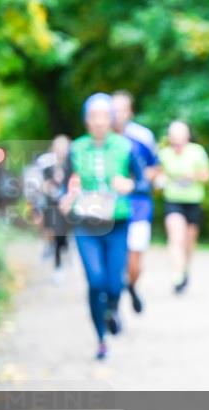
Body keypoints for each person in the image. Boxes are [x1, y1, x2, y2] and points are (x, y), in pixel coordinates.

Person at [60, 94, 146, 360]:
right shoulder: (76, 148)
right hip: (86, 224)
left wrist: (130, 185)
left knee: (113, 284)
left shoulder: (125, 147)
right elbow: (65, 184)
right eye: (93, 117)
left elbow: (143, 183)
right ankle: (100, 339)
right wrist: (66, 197)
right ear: (86, 120)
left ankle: (112, 309)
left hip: (116, 223)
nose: (98, 122)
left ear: (112, 119)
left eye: (104, 116)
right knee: (95, 281)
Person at [113, 90, 159, 314]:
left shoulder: (143, 137)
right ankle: (113, 305)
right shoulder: (102, 140)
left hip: (139, 204)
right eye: (114, 109)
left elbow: (155, 168)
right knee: (113, 258)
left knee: (134, 260)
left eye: (122, 109)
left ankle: (131, 286)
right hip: (109, 206)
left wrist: (134, 182)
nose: (118, 114)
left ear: (130, 111)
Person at [156, 120, 209, 293]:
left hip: (193, 200)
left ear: (187, 135)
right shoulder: (164, 153)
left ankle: (185, 268)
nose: (177, 139)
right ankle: (177, 273)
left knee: (188, 242)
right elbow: (157, 174)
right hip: (173, 200)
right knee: (175, 236)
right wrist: (159, 180)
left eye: (181, 134)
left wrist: (193, 176)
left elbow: (206, 175)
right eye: (174, 135)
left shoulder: (197, 151)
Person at [40, 135, 72, 283]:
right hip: (51, 206)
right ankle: (58, 264)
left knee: (63, 236)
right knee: (56, 234)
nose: (62, 151)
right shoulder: (47, 166)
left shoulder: (71, 166)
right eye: (59, 148)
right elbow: (42, 185)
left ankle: (64, 252)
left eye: (64, 147)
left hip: (68, 206)